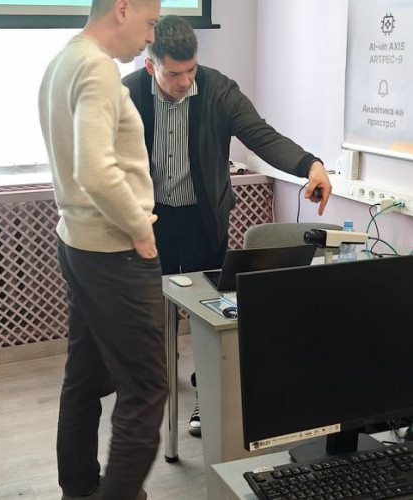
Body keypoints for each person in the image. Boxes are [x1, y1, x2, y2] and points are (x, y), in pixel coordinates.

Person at [122, 15, 332, 437]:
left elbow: (262, 135)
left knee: (207, 309)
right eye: (173, 74)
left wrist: (311, 165)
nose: (184, 82)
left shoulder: (218, 90)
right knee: (149, 311)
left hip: (203, 220)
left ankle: (207, 389)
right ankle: (153, 384)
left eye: (190, 70)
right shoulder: (126, 94)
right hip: (149, 220)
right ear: (150, 66)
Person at [38, 1, 166, 499]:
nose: (150, 37)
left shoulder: (64, 61)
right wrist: (138, 227)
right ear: (122, 9)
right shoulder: (96, 67)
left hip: (77, 242)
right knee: (146, 389)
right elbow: (94, 169)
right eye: (150, 23)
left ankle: (79, 489)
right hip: (114, 250)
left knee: (85, 376)